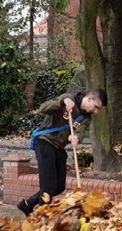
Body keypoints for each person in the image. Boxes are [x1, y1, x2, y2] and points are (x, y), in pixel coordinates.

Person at [16, 88, 107, 216]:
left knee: (59, 187)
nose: (96, 111)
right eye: (96, 107)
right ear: (90, 98)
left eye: (99, 109)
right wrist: (62, 103)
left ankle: (28, 204)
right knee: (48, 187)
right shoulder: (69, 97)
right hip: (45, 142)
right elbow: (43, 108)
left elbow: (81, 131)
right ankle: (42, 219)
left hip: (59, 147)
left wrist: (76, 137)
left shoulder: (86, 117)